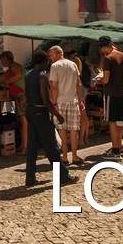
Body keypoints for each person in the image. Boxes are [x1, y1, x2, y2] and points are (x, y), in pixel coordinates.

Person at [25, 51, 78, 186]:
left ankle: (30, 178)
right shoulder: (42, 77)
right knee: (51, 147)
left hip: (30, 111)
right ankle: (63, 176)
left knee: (32, 147)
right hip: (41, 113)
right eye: (47, 61)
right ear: (43, 62)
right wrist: (58, 115)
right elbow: (46, 100)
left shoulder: (28, 74)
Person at [48, 45, 84, 165]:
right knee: (74, 129)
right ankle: (74, 156)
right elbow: (78, 84)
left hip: (60, 101)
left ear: (58, 53)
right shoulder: (73, 64)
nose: (50, 57)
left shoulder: (55, 66)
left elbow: (54, 86)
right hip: (73, 100)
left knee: (62, 129)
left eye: (51, 55)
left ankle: (64, 156)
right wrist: (80, 100)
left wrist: (53, 102)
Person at [97, 36, 123, 159]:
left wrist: (98, 81)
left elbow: (106, 79)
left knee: (112, 122)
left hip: (111, 93)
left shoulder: (108, 59)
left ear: (104, 47)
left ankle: (116, 149)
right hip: (122, 93)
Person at [0, 50, 27, 157]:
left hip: (22, 97)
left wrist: (7, 83)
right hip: (19, 97)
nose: (1, 62)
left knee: (24, 122)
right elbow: (0, 78)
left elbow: (18, 75)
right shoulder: (9, 70)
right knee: (22, 122)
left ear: (6, 59)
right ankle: (23, 145)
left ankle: (26, 147)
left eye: (2, 60)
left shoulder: (14, 66)